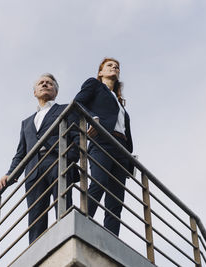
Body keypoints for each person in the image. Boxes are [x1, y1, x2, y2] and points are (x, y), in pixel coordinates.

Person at [0, 73, 79, 244]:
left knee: (63, 205)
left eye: (49, 83)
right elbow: (21, 153)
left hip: (58, 161)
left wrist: (69, 158)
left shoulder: (66, 109)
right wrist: (10, 173)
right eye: (41, 83)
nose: (45, 84)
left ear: (55, 91)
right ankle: (37, 251)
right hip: (34, 170)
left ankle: (66, 240)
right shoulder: (26, 123)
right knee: (35, 216)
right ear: (34, 92)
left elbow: (77, 138)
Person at [73, 58, 133, 236]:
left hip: (121, 149)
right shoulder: (94, 85)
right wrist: (92, 117)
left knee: (116, 199)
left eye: (117, 67)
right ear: (100, 72)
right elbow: (78, 103)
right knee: (99, 183)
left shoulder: (120, 102)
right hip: (103, 141)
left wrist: (129, 155)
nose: (114, 68)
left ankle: (111, 236)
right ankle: (82, 223)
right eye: (109, 66)